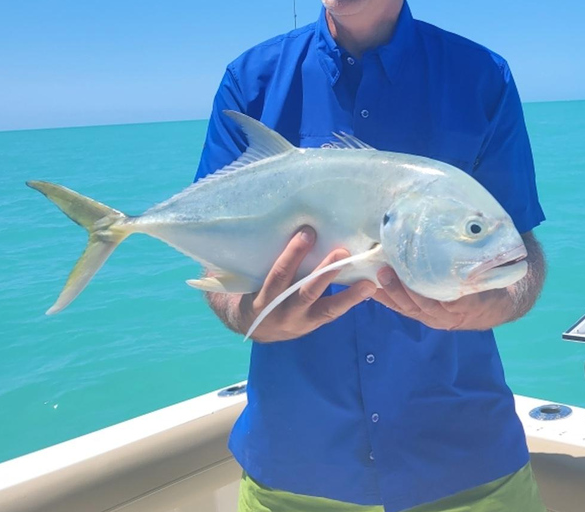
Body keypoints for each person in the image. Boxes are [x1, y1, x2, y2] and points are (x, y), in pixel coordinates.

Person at [196, 1, 547, 510]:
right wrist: (250, 316)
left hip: (467, 465)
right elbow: (217, 262)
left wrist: (486, 305)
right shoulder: (251, 81)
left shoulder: (479, 77)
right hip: (295, 472)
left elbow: (519, 256)